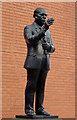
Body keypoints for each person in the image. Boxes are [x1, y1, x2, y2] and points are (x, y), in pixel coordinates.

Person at [24, 8, 55, 116]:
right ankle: (29, 109)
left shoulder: (48, 31)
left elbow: (53, 47)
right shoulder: (28, 28)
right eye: (42, 15)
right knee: (31, 86)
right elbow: (31, 40)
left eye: (45, 15)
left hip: (45, 61)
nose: (44, 17)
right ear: (35, 16)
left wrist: (50, 47)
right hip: (34, 61)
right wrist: (45, 28)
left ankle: (40, 108)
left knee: (41, 87)